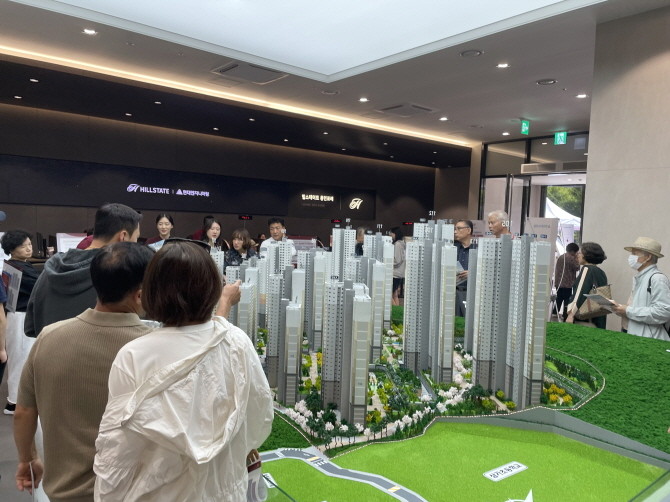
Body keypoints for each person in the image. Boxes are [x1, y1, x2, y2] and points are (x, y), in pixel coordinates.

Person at [93, 241, 272, 501]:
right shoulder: (236, 343)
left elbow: (117, 452)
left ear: (151, 291)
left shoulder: (134, 356)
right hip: (224, 491)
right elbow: (259, 420)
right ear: (212, 288)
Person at [13, 243, 155, 499]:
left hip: (64, 493)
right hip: (132, 492)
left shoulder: (49, 337)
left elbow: (23, 412)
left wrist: (28, 458)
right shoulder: (154, 347)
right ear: (140, 295)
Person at [24, 203, 141, 338]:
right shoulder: (117, 277)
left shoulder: (49, 270)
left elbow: (30, 328)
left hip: (47, 349)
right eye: (136, 239)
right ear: (123, 236)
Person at [1, 230, 41, 415]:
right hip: (19, 317)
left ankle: (17, 399)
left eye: (29, 244)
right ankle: (14, 403)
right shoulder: (19, 269)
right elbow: (40, 284)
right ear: (12, 249)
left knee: (21, 358)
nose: (28, 248)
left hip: (18, 315)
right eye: (23, 246)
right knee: (20, 360)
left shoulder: (14, 265)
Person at [611, 237, 670, 340]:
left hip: (651, 340)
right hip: (638, 336)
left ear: (648, 257)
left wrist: (628, 311)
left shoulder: (657, 278)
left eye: (634, 253)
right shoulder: (641, 277)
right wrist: (621, 309)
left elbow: (663, 312)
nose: (631, 257)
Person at [566, 242, 608, 329]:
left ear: (587, 255)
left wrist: (571, 314)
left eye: (580, 253)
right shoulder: (601, 272)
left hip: (585, 319)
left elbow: (580, 293)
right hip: (597, 317)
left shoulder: (587, 269)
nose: (577, 255)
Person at [454, 220, 477, 317]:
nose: (455, 231)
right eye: (455, 229)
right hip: (454, 292)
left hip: (471, 293)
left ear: (468, 230)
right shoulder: (453, 248)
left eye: (459, 228)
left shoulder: (478, 249)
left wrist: (473, 273)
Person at [554, 243, 581, 321]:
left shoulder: (561, 257)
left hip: (558, 282)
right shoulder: (571, 258)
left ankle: (555, 313)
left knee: (559, 298)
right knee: (567, 300)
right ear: (572, 251)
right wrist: (577, 259)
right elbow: (577, 268)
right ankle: (565, 316)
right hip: (567, 283)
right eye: (576, 252)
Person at [390, 227, 405, 306]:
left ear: (395, 234)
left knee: (389, 294)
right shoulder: (402, 244)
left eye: (391, 233)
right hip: (399, 273)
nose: (391, 235)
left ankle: (394, 310)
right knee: (395, 294)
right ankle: (397, 308)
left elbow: (397, 260)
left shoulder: (397, 244)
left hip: (395, 274)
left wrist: (388, 263)